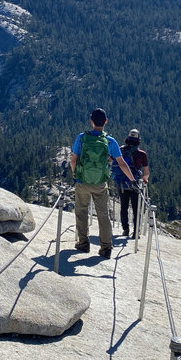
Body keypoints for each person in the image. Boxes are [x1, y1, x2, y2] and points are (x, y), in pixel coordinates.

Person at [70, 108, 137, 259]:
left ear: (91, 121)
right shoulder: (110, 141)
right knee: (103, 215)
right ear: (106, 122)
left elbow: (73, 160)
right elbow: (121, 164)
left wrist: (75, 174)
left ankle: (83, 243)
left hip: (82, 182)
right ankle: (106, 248)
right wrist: (133, 180)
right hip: (100, 183)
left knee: (81, 212)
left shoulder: (81, 138)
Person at [112, 128, 150, 239]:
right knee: (135, 208)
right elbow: (146, 172)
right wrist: (145, 179)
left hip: (122, 183)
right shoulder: (142, 154)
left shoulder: (120, 150)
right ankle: (135, 232)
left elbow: (110, 161)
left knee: (123, 207)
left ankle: (125, 229)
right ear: (138, 140)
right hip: (135, 184)